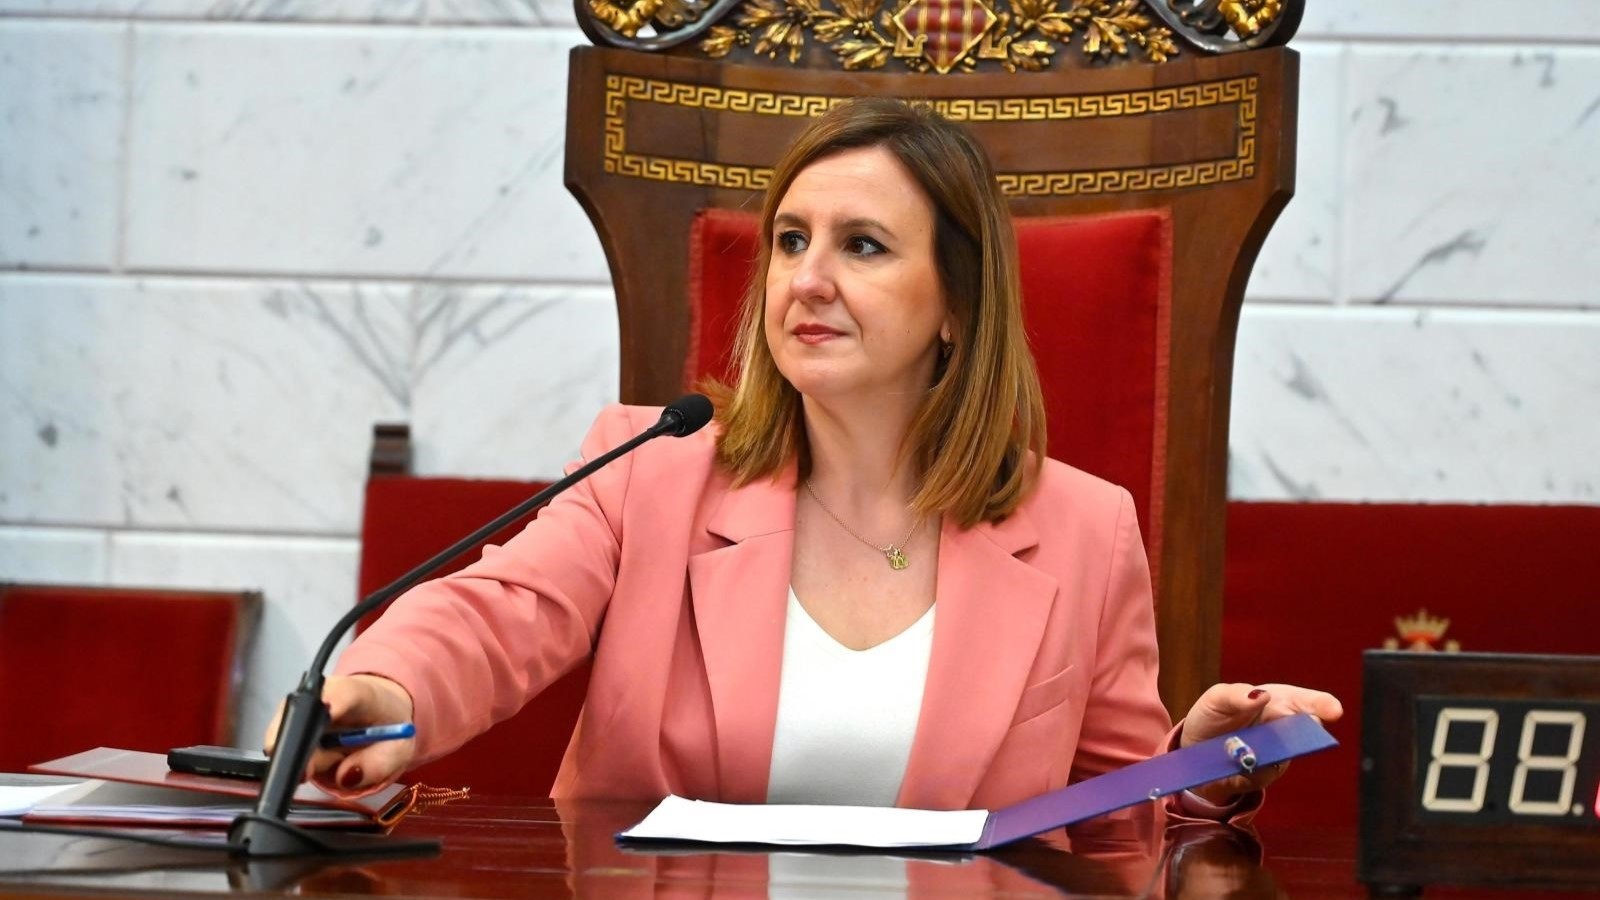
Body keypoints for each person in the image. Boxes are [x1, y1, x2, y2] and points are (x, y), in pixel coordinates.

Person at [268, 98, 1340, 818]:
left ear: (957, 306)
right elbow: (497, 612)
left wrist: (1207, 760)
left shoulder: (1082, 528)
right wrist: (378, 685)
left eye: (861, 246)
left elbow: (1116, 821)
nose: (806, 280)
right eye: (791, 240)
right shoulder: (655, 467)